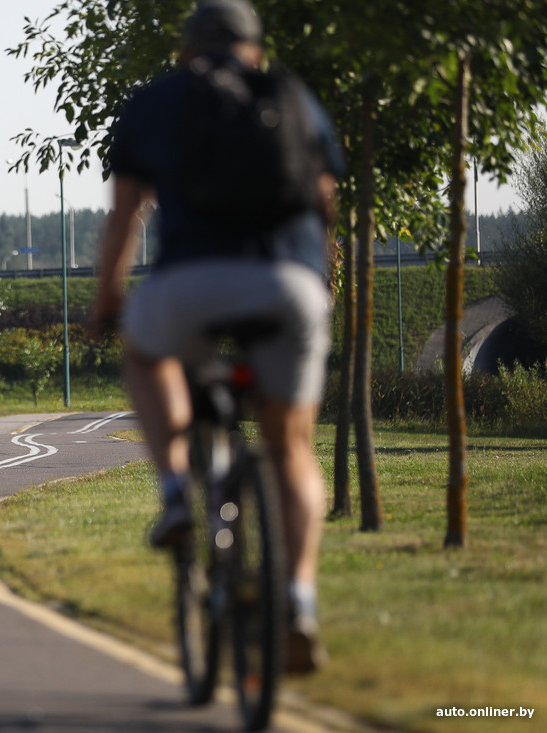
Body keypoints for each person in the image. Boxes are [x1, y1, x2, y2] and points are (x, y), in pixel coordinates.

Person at [88, 0, 343, 675]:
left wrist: (108, 298)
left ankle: (175, 491)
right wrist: (321, 278)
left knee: (148, 352)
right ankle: (298, 601)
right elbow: (324, 199)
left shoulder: (158, 102)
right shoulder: (292, 96)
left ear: (186, 52)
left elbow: (126, 213)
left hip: (190, 285)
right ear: (255, 49)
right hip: (290, 284)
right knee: (291, 444)